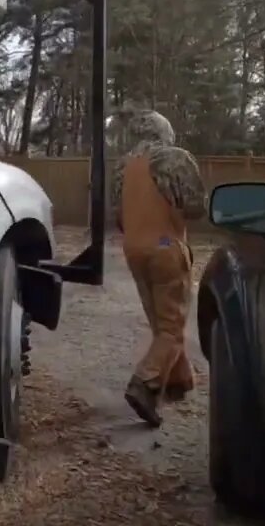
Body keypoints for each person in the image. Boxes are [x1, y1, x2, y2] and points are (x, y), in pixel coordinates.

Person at [109, 108, 207, 427]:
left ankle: (179, 381)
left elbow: (119, 217)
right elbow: (196, 208)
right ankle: (145, 384)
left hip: (133, 248)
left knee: (160, 321)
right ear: (165, 131)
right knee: (171, 327)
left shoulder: (123, 167)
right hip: (165, 247)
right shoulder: (174, 158)